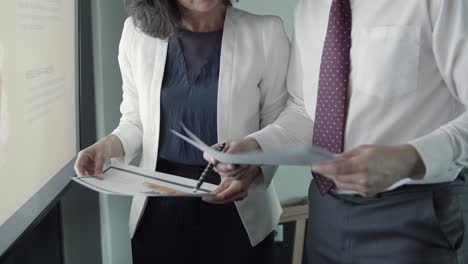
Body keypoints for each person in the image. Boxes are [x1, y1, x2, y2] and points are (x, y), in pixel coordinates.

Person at [205, 0, 468, 263]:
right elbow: (305, 109)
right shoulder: (309, 7)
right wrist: (257, 147)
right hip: (325, 212)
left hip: (418, 214)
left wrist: (411, 158)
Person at [74, 0, 290, 263]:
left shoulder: (267, 33)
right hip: (159, 211)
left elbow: (279, 128)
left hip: (239, 208)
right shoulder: (136, 33)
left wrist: (252, 171)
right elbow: (134, 121)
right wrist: (105, 147)